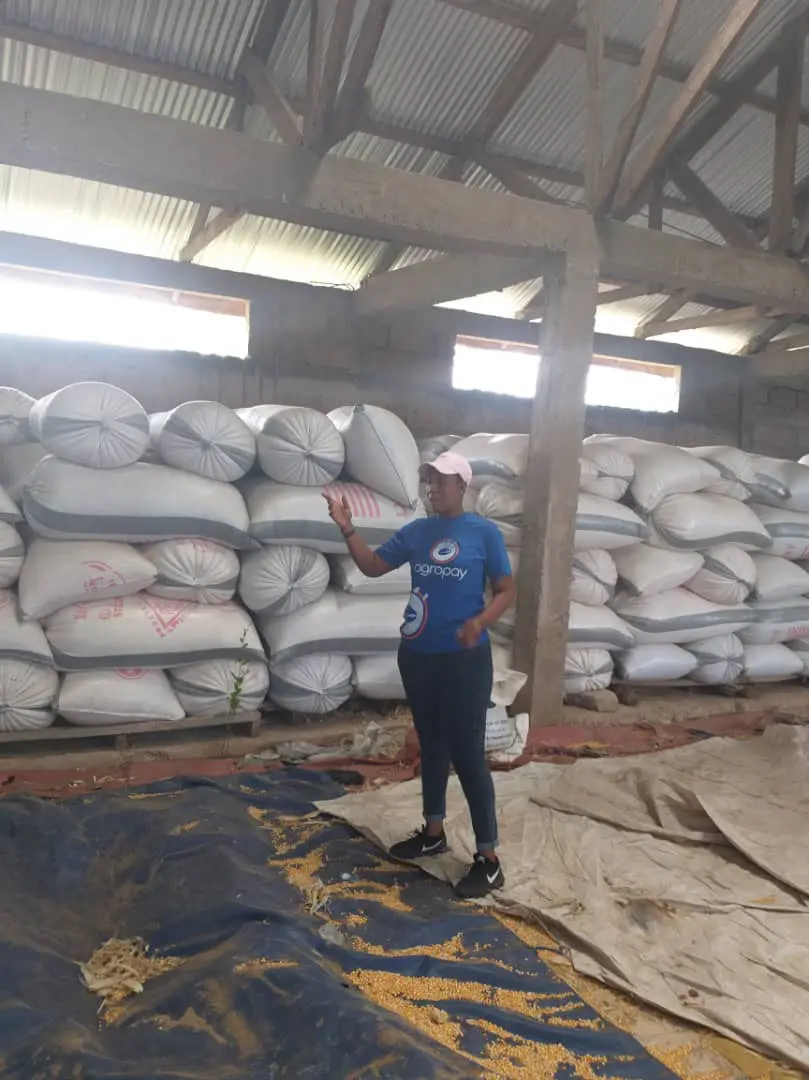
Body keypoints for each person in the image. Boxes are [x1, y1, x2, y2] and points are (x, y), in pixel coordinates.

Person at [324, 450, 516, 899]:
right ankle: (433, 833)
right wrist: (347, 527)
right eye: (429, 481)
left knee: (467, 755)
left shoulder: (483, 533)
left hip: (464, 660)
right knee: (431, 746)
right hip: (418, 655)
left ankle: (489, 860)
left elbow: (506, 590)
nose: (433, 489)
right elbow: (373, 566)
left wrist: (480, 622)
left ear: (462, 486)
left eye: (442, 481)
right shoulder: (418, 532)